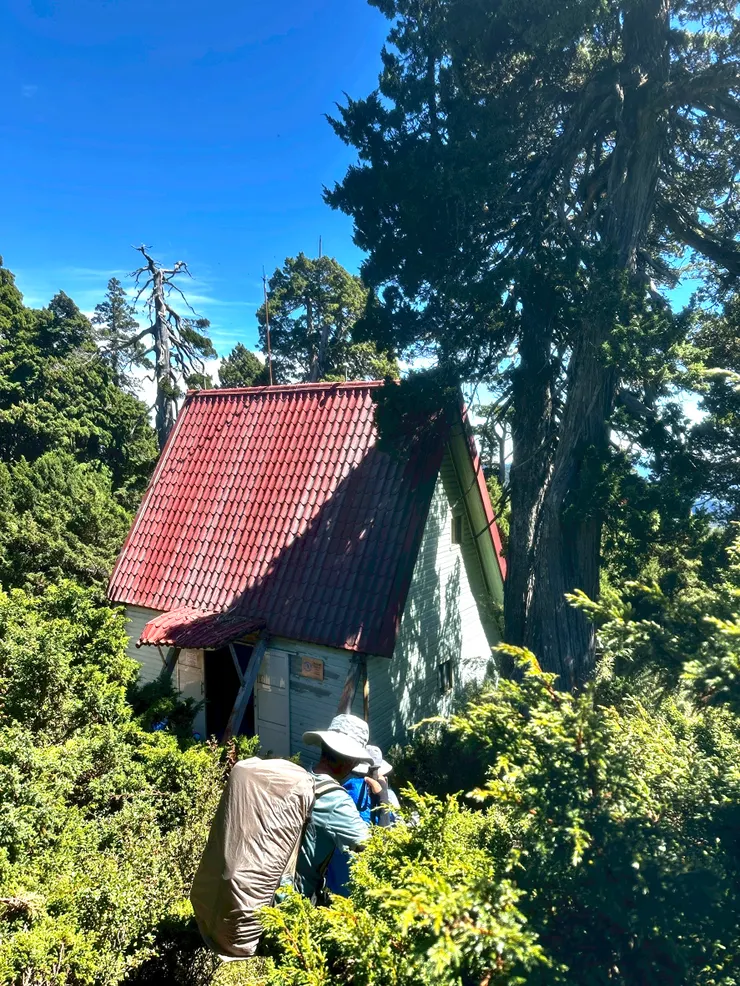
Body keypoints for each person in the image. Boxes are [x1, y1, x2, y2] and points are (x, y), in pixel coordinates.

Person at [294, 714, 374, 902]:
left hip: (270, 886)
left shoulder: (301, 779)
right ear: (351, 761)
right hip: (295, 899)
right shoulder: (336, 800)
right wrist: (384, 799)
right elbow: (375, 849)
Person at [324, 744, 397, 896]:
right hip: (369, 882)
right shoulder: (386, 796)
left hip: (338, 880)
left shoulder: (343, 792)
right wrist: (383, 798)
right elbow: (389, 836)